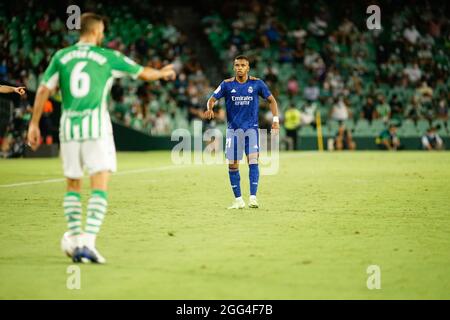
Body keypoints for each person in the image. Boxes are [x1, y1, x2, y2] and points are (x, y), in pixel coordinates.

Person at [27, 13, 176, 264]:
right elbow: (143, 74)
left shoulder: (61, 56)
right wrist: (162, 73)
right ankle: (88, 243)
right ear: (96, 32)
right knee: (99, 185)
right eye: (103, 31)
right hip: (96, 129)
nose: (103, 35)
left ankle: (76, 241)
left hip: (69, 129)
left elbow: (43, 89)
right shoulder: (108, 57)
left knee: (73, 185)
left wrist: (33, 123)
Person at [204, 55, 279, 209]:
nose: (239, 68)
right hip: (233, 131)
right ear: (234, 67)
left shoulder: (257, 84)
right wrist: (209, 108)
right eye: (237, 65)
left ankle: (253, 197)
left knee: (253, 161)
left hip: (251, 130)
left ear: (248, 67)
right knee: (233, 165)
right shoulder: (226, 84)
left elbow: (272, 100)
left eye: (243, 65)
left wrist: (276, 120)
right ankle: (238, 200)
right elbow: (212, 98)